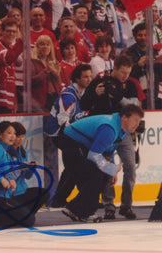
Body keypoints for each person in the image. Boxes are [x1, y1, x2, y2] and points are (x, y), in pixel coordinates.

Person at [80, 53, 141, 220]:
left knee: (130, 166)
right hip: (105, 132)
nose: (125, 76)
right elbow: (83, 105)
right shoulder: (100, 81)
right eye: (123, 72)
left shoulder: (130, 84)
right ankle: (109, 206)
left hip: (124, 132)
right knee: (107, 168)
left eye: (128, 73)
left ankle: (126, 205)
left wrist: (120, 97)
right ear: (114, 69)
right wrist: (94, 93)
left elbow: (136, 106)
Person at [61, 104, 144, 222]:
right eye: (135, 120)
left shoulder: (121, 129)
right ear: (124, 117)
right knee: (95, 175)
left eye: (139, 121)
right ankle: (77, 209)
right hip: (71, 144)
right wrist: (112, 169)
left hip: (80, 145)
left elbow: (108, 151)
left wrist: (111, 172)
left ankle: (80, 209)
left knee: (103, 175)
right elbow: (94, 155)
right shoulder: (110, 128)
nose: (137, 124)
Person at [0, 121, 49, 228]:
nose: (15, 137)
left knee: (42, 195)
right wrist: (2, 179)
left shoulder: (10, 150)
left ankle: (15, 215)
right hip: (2, 196)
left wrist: (28, 168)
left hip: (9, 194)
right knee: (29, 220)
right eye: (10, 133)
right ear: (0, 134)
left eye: (15, 134)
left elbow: (7, 171)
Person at [45, 64, 92, 207]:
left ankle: (59, 199)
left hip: (71, 133)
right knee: (76, 164)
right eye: (85, 76)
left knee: (72, 166)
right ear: (77, 78)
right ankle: (83, 196)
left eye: (90, 76)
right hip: (60, 133)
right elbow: (62, 120)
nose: (89, 79)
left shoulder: (84, 93)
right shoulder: (69, 95)